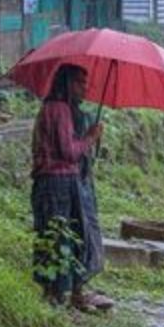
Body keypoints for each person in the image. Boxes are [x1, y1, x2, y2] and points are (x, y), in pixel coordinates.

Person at [30, 64, 113, 312]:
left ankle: (66, 292)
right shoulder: (60, 109)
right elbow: (69, 152)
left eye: (85, 84)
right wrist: (90, 138)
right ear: (66, 83)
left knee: (64, 235)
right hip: (58, 182)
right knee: (61, 236)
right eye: (79, 83)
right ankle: (58, 294)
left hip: (58, 182)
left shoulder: (51, 108)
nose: (84, 89)